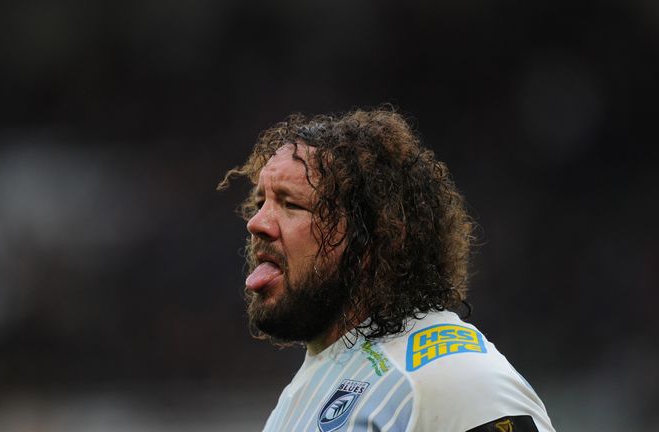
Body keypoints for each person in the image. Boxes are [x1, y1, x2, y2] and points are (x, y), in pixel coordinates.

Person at [218, 107, 555, 432]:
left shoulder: (452, 374)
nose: (256, 223)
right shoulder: (312, 382)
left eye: (291, 204)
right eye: (261, 203)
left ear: (369, 238)